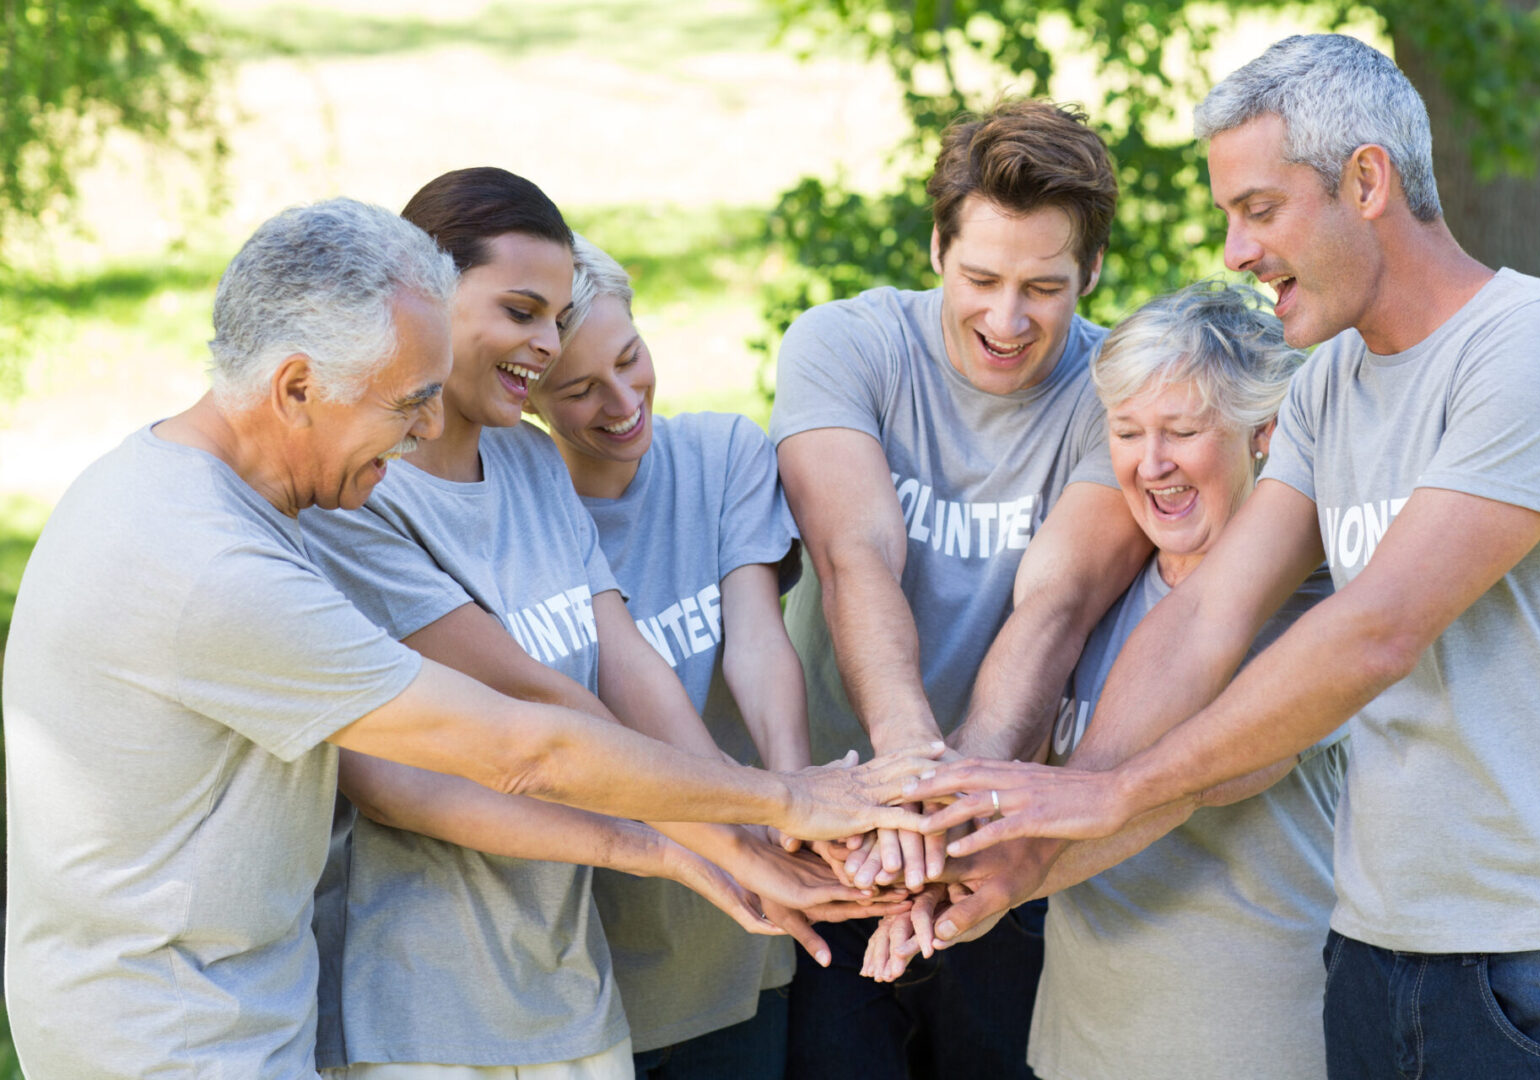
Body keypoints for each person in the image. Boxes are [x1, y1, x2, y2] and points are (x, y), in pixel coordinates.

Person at [1, 197, 934, 1080]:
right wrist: (779, 803)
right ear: (296, 386)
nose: (422, 429)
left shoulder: (198, 492)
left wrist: (707, 839)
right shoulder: (213, 563)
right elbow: (517, 744)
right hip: (165, 1035)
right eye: (405, 402)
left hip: (242, 1006)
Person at [913, 34, 1540, 1078]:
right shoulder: (1330, 386)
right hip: (1376, 945)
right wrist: (1028, 842)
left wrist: (1117, 790)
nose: (1237, 252)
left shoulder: (1539, 343)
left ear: (1366, 181)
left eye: (1259, 209)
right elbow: (1201, 619)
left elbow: (1377, 630)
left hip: (1533, 956)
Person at [867, 280, 1342, 1079]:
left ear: (1262, 434)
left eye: (1182, 432)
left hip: (1257, 1043)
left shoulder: (1306, 596)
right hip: (1079, 1046)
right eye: (1126, 433)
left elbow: (1200, 778)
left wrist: (998, 880)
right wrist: (927, 864)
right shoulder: (1104, 587)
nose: (1151, 465)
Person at [769, 98, 1150, 1079]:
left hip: (1000, 843)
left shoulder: (1122, 394)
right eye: (981, 277)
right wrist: (900, 786)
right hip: (845, 838)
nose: (1008, 319)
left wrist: (954, 813)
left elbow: (1055, 607)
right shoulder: (843, 346)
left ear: (1093, 273)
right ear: (938, 247)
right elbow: (859, 558)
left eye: (1046, 288)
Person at [526, 235, 807, 1078]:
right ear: (527, 394)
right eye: (578, 390)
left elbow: (757, 639)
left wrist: (793, 802)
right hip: (603, 968)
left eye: (630, 358)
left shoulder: (722, 456)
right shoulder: (524, 513)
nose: (622, 401)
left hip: (745, 946)